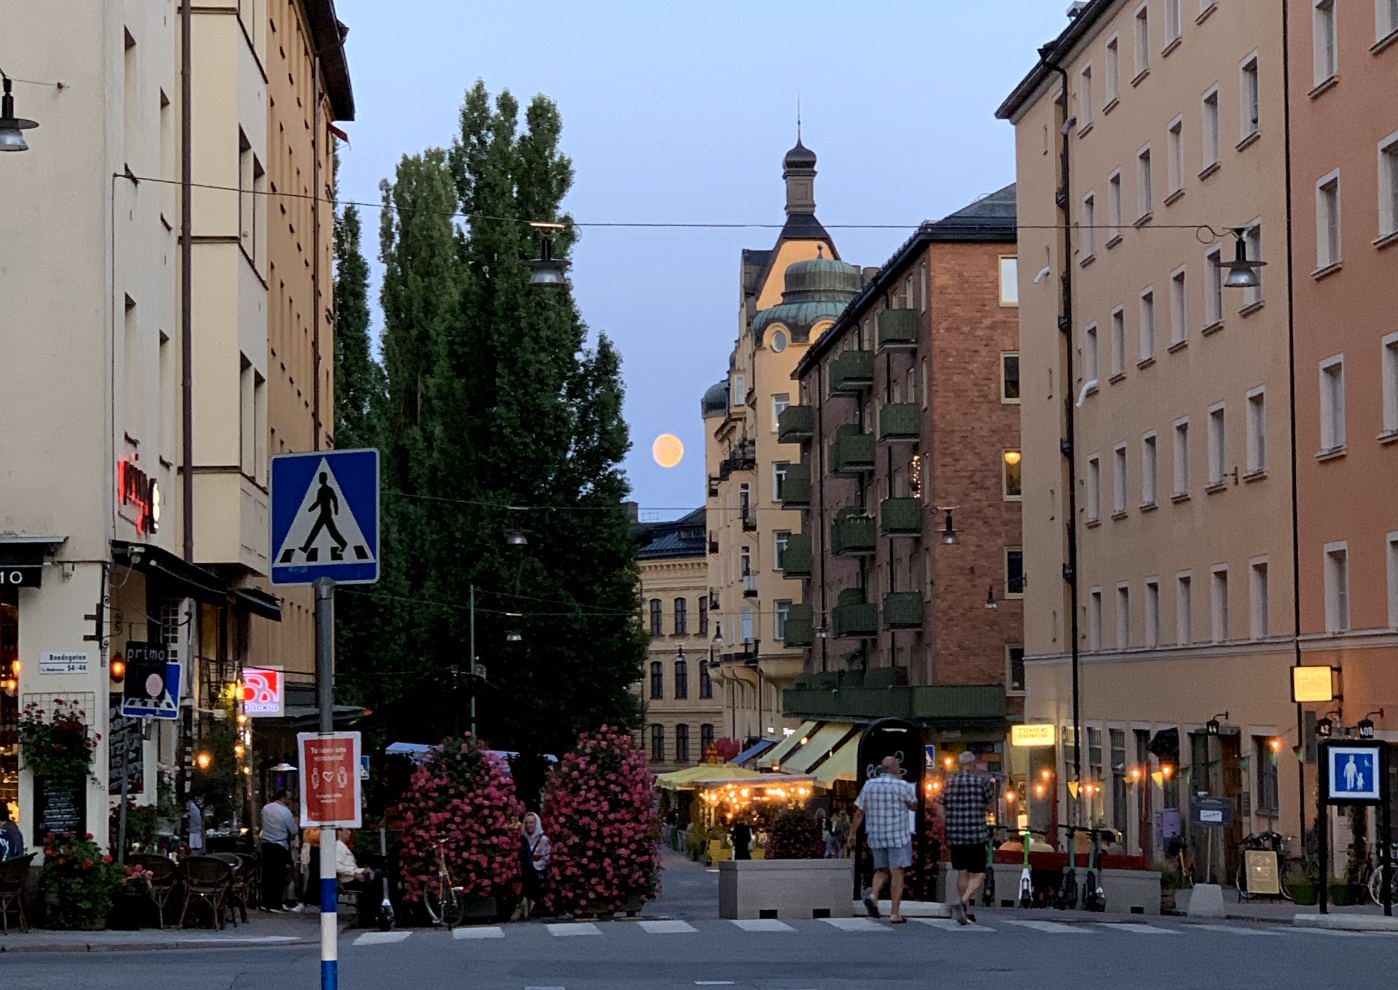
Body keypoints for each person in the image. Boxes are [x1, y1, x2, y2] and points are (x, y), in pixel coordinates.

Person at [847, 756, 918, 924]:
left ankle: (873, 895)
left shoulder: (869, 785)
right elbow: (913, 806)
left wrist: (851, 834)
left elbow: (860, 812)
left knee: (880, 869)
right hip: (898, 836)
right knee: (897, 872)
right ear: (895, 769)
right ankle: (894, 914)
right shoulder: (903, 786)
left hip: (876, 835)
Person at [941, 750, 997, 925]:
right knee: (979, 873)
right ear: (973, 764)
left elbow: (938, 803)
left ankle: (967, 908)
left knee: (962, 872)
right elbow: (990, 808)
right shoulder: (981, 782)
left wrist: (947, 823)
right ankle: (963, 900)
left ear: (960, 764)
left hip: (956, 834)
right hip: (976, 833)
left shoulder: (949, 783)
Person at [260, 789, 297, 912]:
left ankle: (265, 902)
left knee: (267, 875)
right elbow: (293, 830)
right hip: (279, 845)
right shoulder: (285, 812)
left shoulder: (266, 808)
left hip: (266, 844)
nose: (289, 800)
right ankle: (276, 903)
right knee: (279, 876)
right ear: (283, 797)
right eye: (289, 798)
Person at [517, 812, 551, 919]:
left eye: (531, 822)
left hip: (538, 871)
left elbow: (546, 858)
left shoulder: (543, 839)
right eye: (526, 823)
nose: (528, 825)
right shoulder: (522, 839)